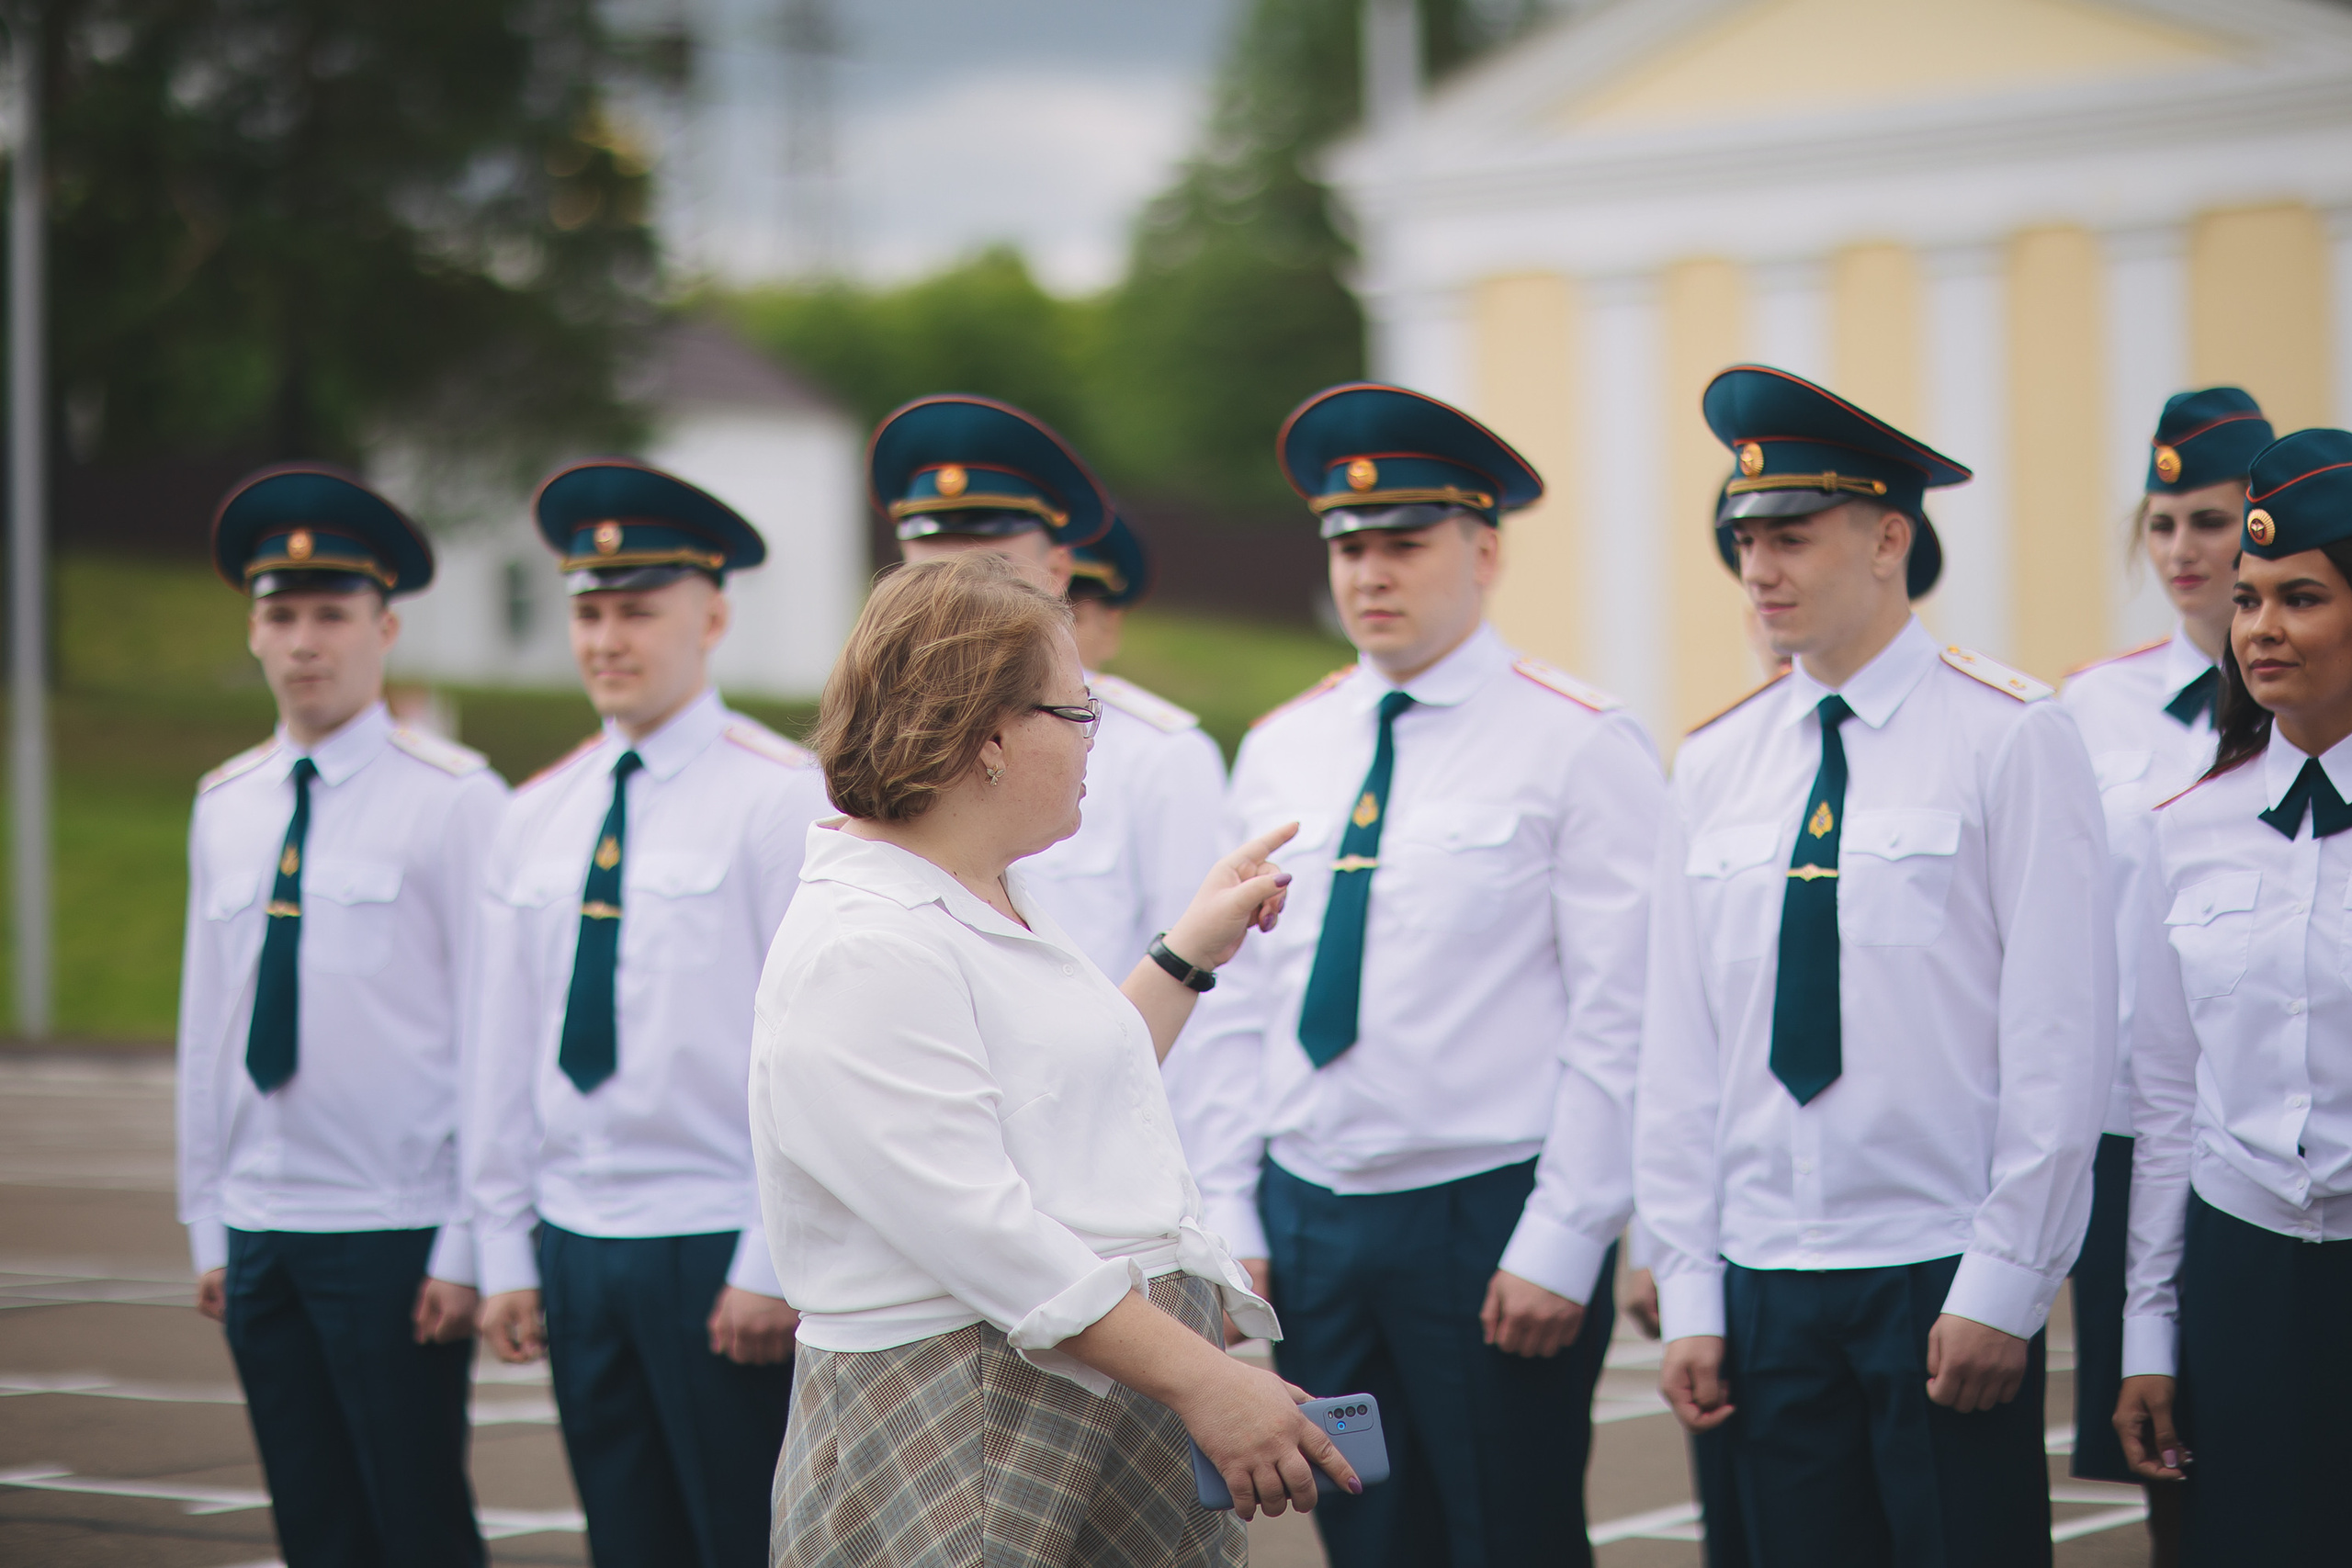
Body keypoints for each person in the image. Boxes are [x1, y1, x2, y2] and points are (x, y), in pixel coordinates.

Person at [754, 552, 1356, 1568]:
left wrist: (1186, 954)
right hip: (962, 1423)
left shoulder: (973, 889)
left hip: (1069, 1394)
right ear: (989, 736)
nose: (1092, 744)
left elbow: (1062, 1099)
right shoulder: (865, 940)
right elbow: (989, 1234)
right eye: (1077, 715)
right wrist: (1208, 1381)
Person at [1170, 382, 1660, 1566]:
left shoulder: (1578, 738)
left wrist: (1566, 1233)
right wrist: (1232, 1208)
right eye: (1348, 546)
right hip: (1315, 1216)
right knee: (1371, 1538)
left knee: (1512, 1536)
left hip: (1487, 1214)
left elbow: (1626, 1013)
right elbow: (1244, 998)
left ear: (1483, 550)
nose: (1369, 573)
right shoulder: (1287, 742)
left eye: (1404, 544)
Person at [1636, 365, 2113, 1565]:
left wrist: (2007, 1276)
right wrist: (1689, 1283)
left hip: (1935, 1262)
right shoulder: (1716, 762)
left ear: (1889, 534)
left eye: (1791, 536)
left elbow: (2061, 1033)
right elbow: (1683, 1045)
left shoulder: (2013, 735)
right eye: (1746, 539)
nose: (1760, 567)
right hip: (1765, 1274)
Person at [468, 459, 832, 1568]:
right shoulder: (536, 811)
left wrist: (769, 1256)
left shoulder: (779, 795)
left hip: (713, 1240)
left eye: (639, 609)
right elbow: (501, 1045)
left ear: (712, 615)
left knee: (743, 1540)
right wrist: (502, 1249)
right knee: (625, 1540)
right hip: (578, 1239)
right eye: (589, 610)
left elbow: (807, 1045)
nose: (608, 637)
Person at [176, 465, 505, 1566]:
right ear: (254, 635)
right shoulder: (225, 802)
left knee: (415, 1523)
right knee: (312, 1525)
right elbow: (205, 1025)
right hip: (264, 1226)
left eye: (332, 614)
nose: (305, 640)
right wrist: (209, 1215)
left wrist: (469, 1238)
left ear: (386, 627)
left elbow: (491, 1031)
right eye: (282, 616)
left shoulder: (455, 798)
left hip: (395, 1227)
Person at [2113, 427, 2352, 1561]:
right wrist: (2146, 1333)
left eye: (2300, 598)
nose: (2259, 629)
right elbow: (2165, 1102)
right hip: (2240, 1270)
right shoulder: (2187, 829)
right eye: (2249, 601)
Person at [2058, 385, 2271, 1562]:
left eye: (2210, 519)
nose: (2183, 550)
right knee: (2167, 1449)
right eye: (2161, 521)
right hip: (2135, 1123)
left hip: (2275, 1120)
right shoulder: (2092, 705)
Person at [873, 393, 1229, 985]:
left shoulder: (1157, 756)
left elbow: (1203, 979)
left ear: (1058, 573)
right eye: (930, 572)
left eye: (991, 567)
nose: (958, 599)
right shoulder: (863, 750)